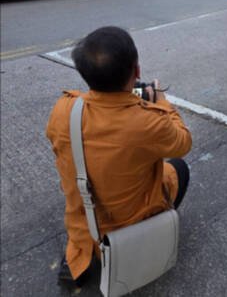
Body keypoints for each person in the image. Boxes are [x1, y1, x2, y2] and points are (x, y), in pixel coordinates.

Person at [46, 26, 192, 288]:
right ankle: (146, 237)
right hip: (127, 224)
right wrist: (160, 103)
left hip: (84, 217)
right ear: (136, 71)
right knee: (179, 168)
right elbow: (183, 143)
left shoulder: (64, 109)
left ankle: (80, 253)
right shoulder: (147, 122)